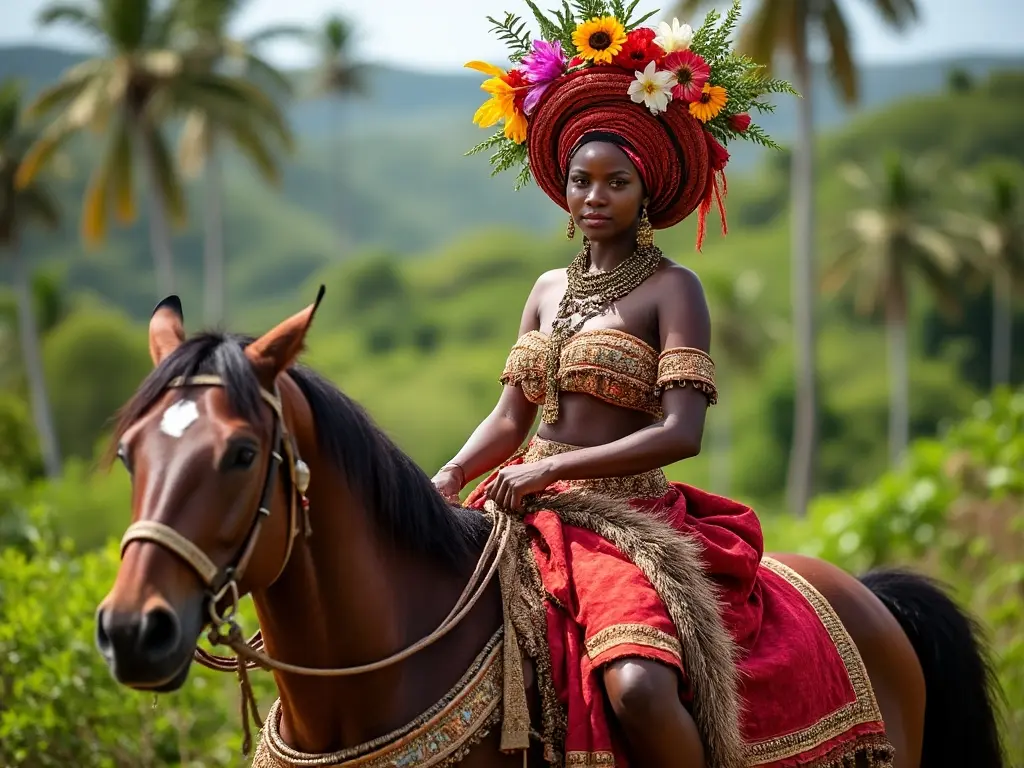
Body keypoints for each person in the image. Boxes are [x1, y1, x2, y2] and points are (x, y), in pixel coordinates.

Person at [432, 6, 892, 768]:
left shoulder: (674, 291)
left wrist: (553, 469)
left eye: (616, 182)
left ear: (645, 194)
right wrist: (450, 473)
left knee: (639, 686)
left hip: (625, 516)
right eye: (581, 181)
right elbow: (510, 416)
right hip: (522, 502)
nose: (594, 197)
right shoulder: (546, 287)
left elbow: (683, 432)